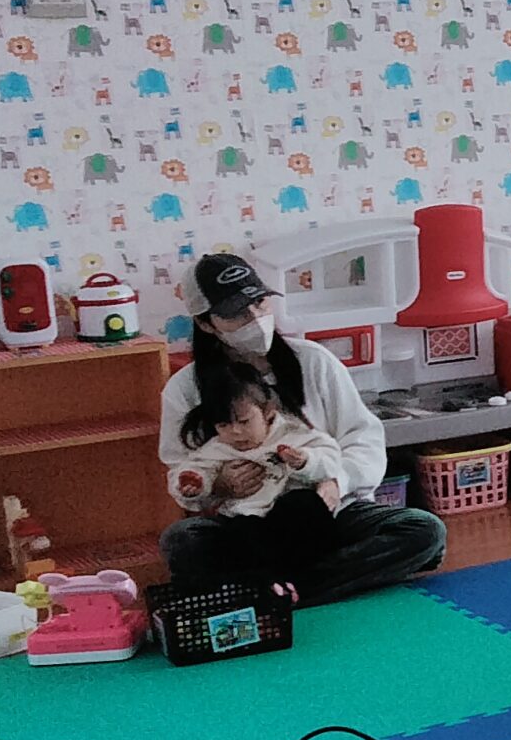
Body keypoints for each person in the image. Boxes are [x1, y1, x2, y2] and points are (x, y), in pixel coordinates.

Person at [157, 252, 445, 602]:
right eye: (237, 313)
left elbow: (362, 438)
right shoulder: (185, 389)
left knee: (424, 531)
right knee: (182, 541)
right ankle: (305, 582)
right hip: (249, 523)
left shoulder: (313, 361)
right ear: (206, 324)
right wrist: (218, 485)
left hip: (328, 513)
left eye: (260, 303)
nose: (255, 319)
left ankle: (278, 590)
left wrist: (337, 483)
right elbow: (182, 470)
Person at [167, 363, 347, 581]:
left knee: (303, 503)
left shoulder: (293, 434)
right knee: (199, 536)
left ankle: (317, 575)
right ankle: (270, 582)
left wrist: (305, 461)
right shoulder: (217, 448)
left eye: (244, 422)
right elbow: (195, 469)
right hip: (248, 521)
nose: (235, 432)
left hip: (292, 522)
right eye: (223, 425)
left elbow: (331, 460)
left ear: (268, 411)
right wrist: (196, 484)